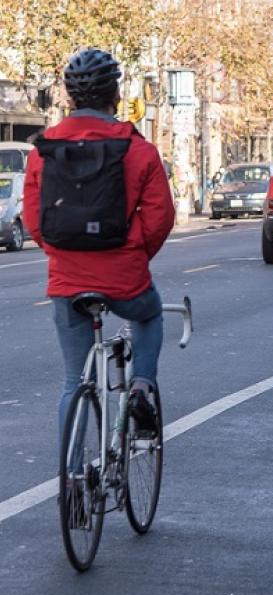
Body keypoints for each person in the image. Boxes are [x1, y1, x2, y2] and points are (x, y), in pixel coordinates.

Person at [23, 48, 174, 442]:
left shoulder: (44, 150)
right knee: (149, 314)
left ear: (68, 98)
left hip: (67, 280)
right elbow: (159, 218)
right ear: (117, 95)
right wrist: (132, 252)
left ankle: (71, 483)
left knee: (74, 381)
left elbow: (36, 221)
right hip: (125, 277)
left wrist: (63, 253)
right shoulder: (139, 150)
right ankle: (141, 386)